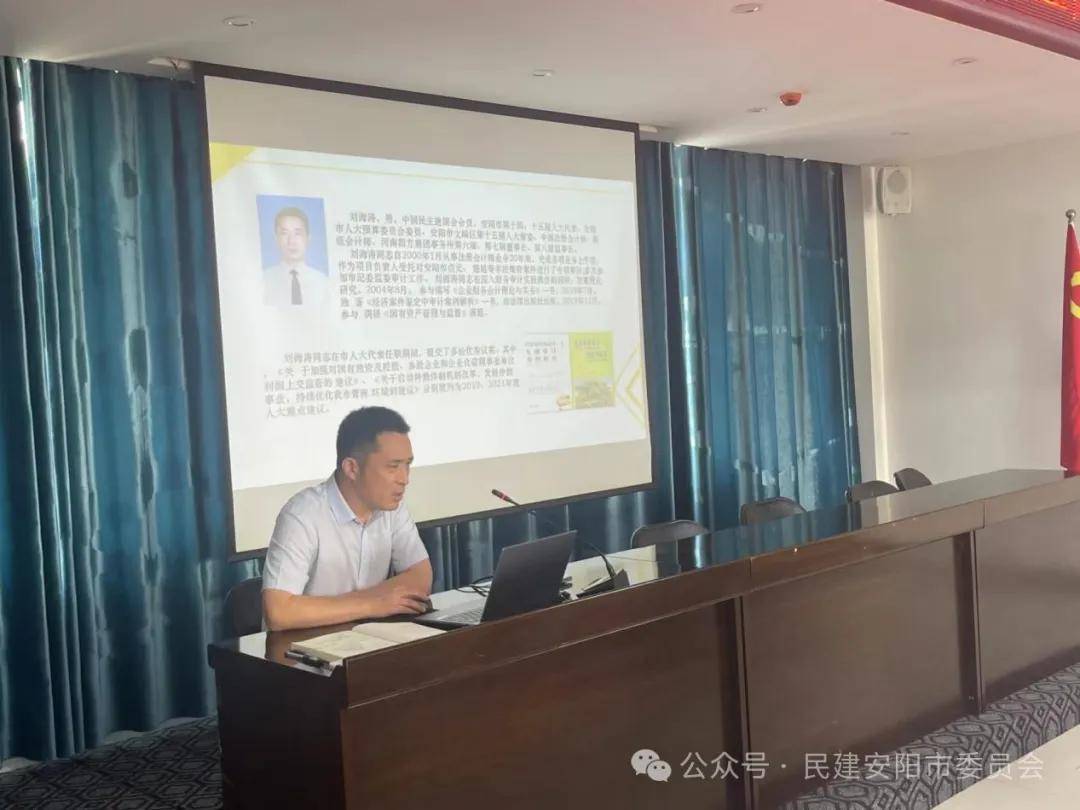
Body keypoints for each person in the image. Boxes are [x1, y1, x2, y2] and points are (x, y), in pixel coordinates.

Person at [262, 407, 433, 630]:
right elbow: (279, 612)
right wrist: (373, 604)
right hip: (303, 646)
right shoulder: (302, 515)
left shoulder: (392, 509)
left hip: (367, 641)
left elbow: (420, 577)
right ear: (352, 468)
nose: (404, 479)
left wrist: (371, 603)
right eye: (393, 467)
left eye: (407, 465)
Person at [262, 206, 328, 307]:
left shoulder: (323, 282)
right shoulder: (264, 280)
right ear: (276, 239)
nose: (291, 241)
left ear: (308, 238)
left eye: (297, 233)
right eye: (284, 233)